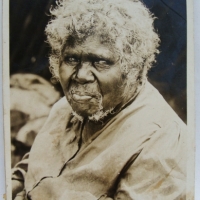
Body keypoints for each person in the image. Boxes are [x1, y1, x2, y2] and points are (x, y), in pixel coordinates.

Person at [12, 0, 188, 199]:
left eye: (100, 62)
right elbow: (29, 172)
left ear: (135, 68)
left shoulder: (162, 142)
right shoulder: (64, 108)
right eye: (71, 59)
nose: (81, 75)